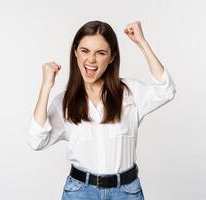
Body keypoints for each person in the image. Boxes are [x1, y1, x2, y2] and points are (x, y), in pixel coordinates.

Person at [27, 21, 176, 200]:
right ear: (75, 52)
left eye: (100, 53)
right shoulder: (65, 102)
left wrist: (142, 43)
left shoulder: (130, 93)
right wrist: (46, 87)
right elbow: (36, 141)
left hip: (126, 193)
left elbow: (166, 91)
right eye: (85, 51)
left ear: (112, 57)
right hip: (80, 193)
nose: (91, 60)